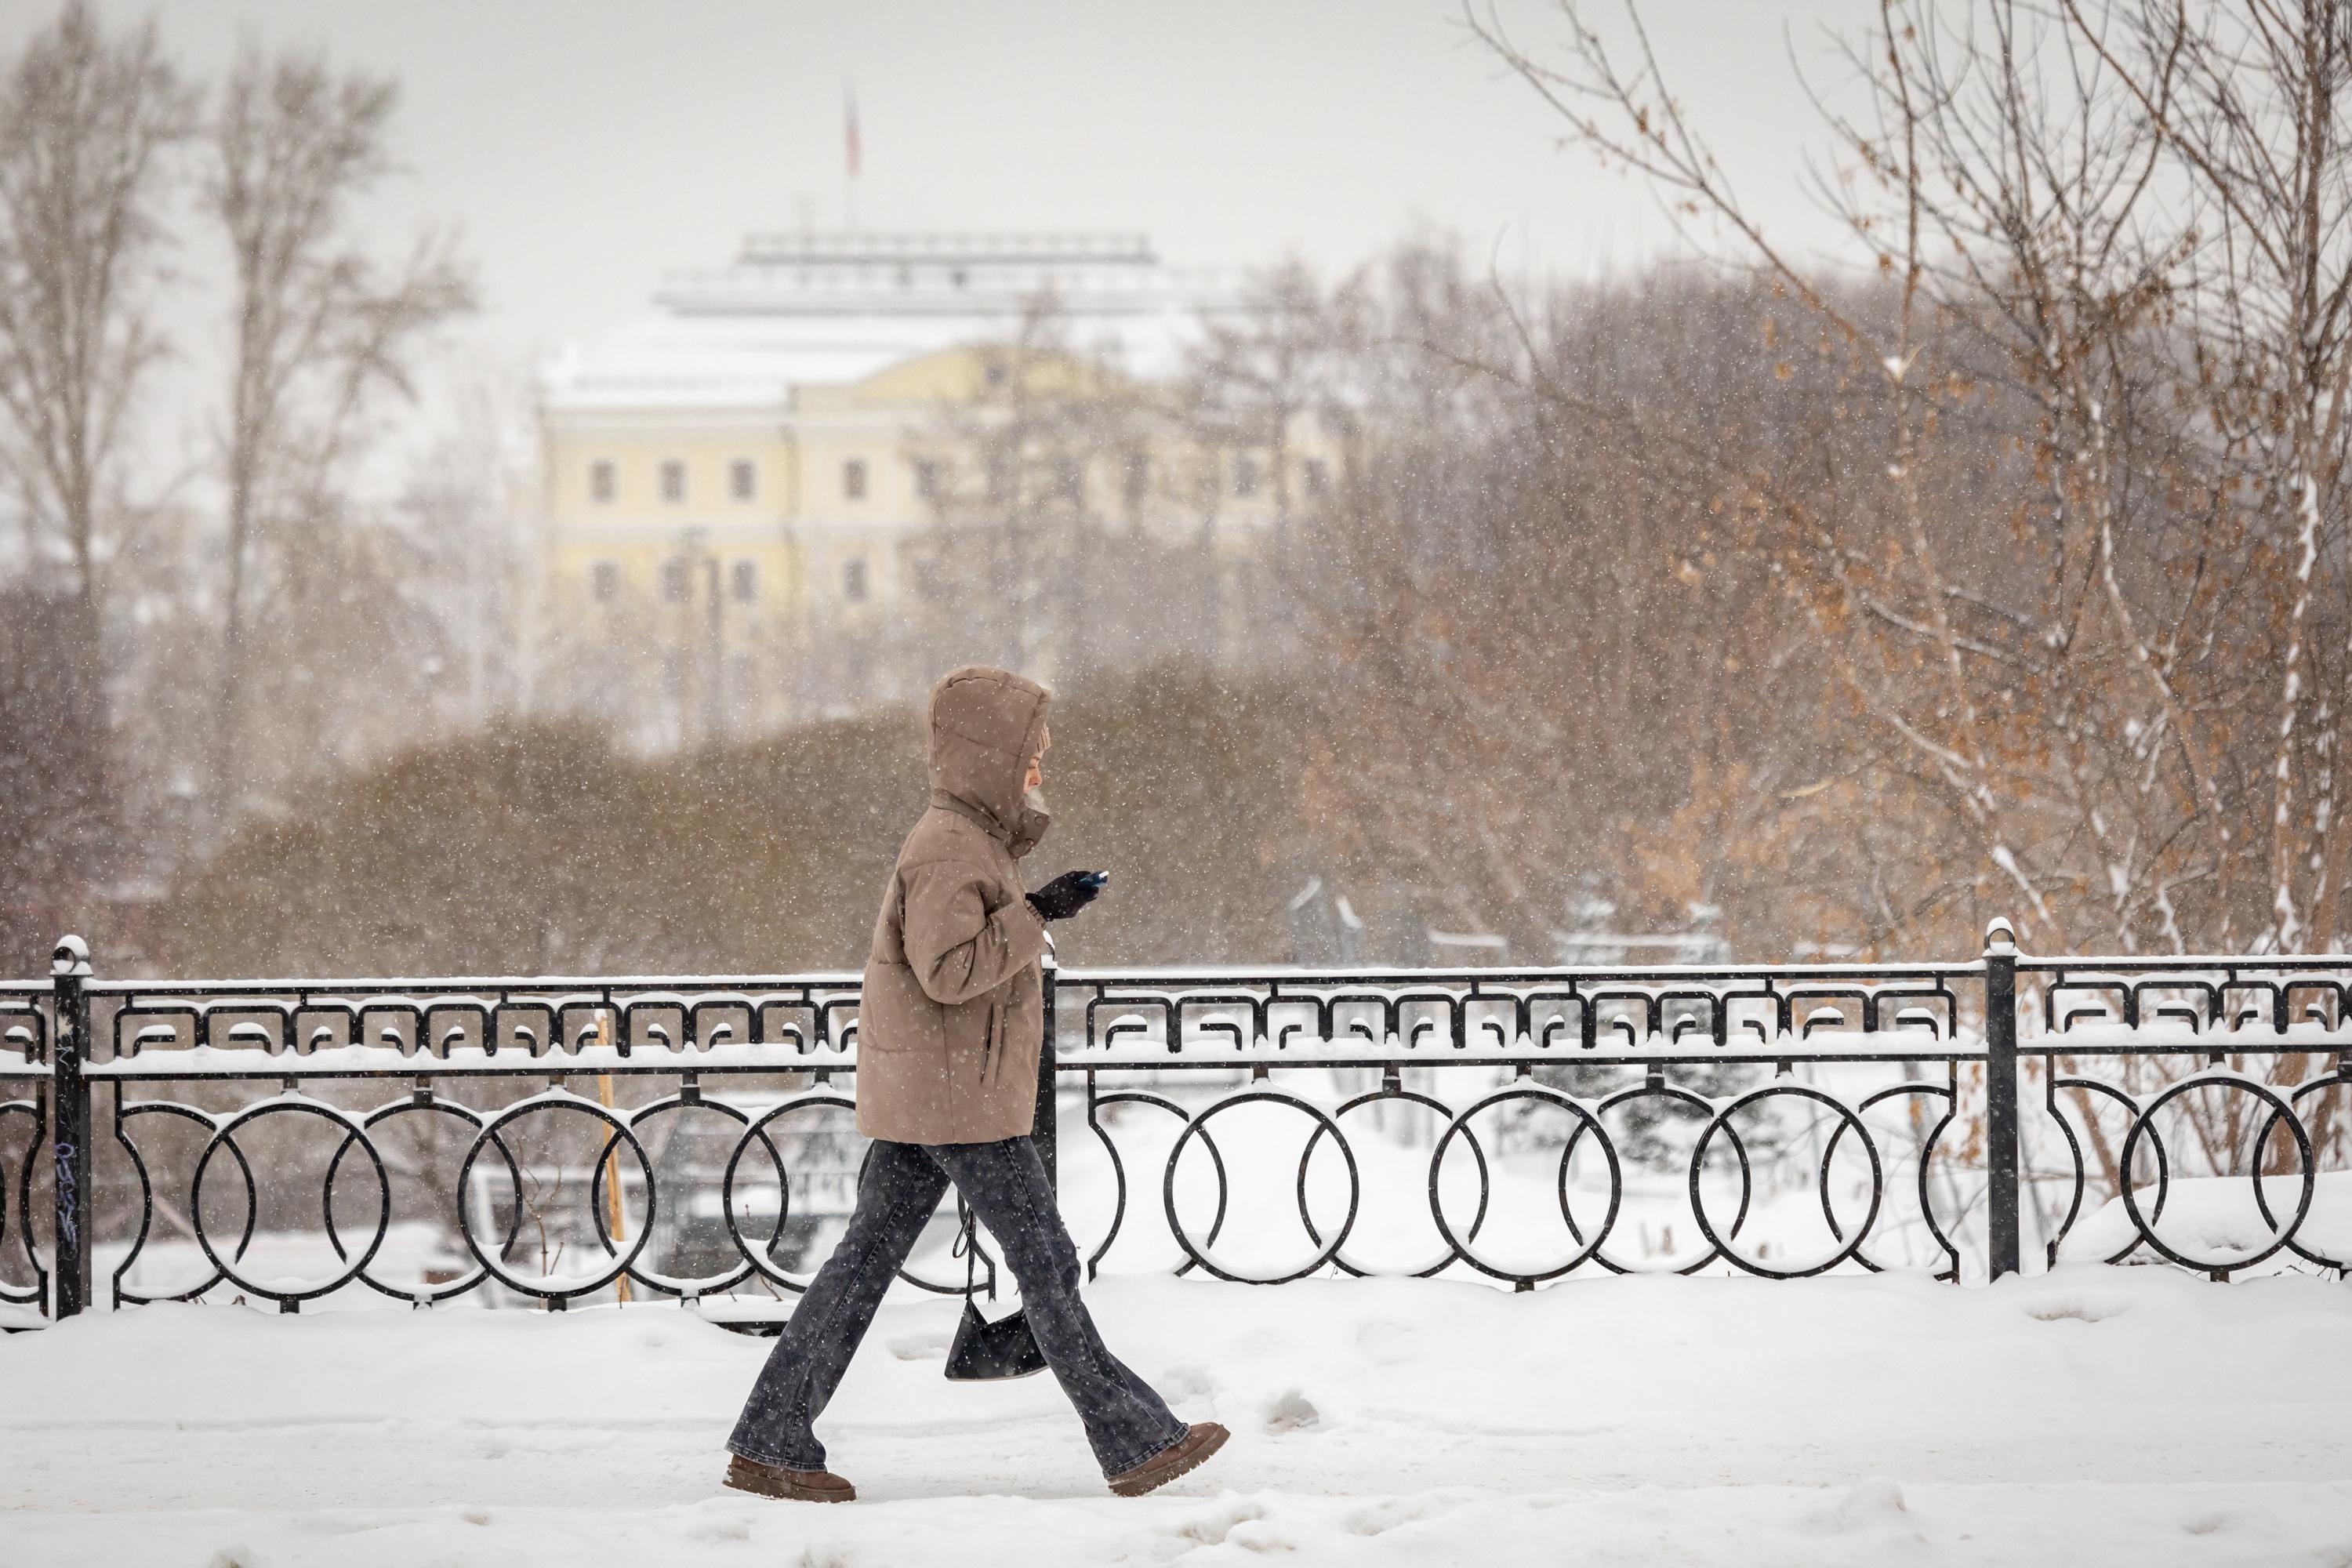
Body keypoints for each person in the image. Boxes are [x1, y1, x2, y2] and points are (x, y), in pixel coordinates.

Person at [723, 666, 1229, 1503]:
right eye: (1033, 748)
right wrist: (1040, 913)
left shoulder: (965, 836)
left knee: (865, 1263)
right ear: (994, 754)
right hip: (958, 1099)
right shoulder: (951, 845)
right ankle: (1135, 1440)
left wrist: (1032, 903)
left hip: (941, 1089)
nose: (1042, 761)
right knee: (1046, 1262)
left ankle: (772, 1437)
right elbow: (949, 969)